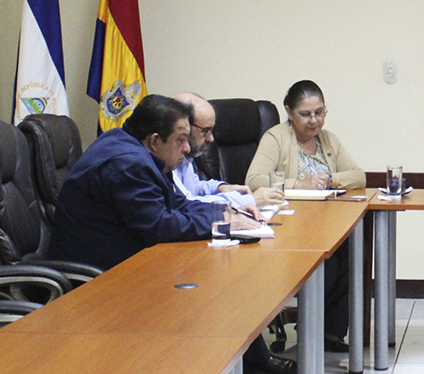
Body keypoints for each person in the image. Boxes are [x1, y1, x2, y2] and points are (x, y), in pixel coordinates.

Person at [47, 95, 292, 374]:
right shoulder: (129, 164)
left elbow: (175, 204)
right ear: (155, 140)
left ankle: (251, 364)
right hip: (97, 279)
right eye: (180, 140)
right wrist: (223, 221)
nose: (187, 148)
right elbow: (161, 226)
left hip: (124, 260)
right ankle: (248, 365)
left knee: (217, 277)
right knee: (213, 285)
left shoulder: (135, 149)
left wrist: (225, 215)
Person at [246, 80, 366, 352]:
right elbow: (253, 181)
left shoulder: (328, 139)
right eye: (306, 114)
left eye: (320, 112)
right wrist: (298, 184)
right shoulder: (276, 138)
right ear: (289, 112)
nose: (314, 121)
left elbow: (358, 176)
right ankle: (313, 325)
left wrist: (329, 179)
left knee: (355, 250)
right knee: (328, 259)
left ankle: (330, 332)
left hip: (327, 221)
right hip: (288, 225)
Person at [171, 93, 284, 210]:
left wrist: (220, 187)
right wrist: (251, 200)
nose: (211, 138)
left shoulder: (184, 157)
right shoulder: (165, 159)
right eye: (205, 131)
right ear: (184, 127)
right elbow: (188, 205)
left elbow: (194, 186)